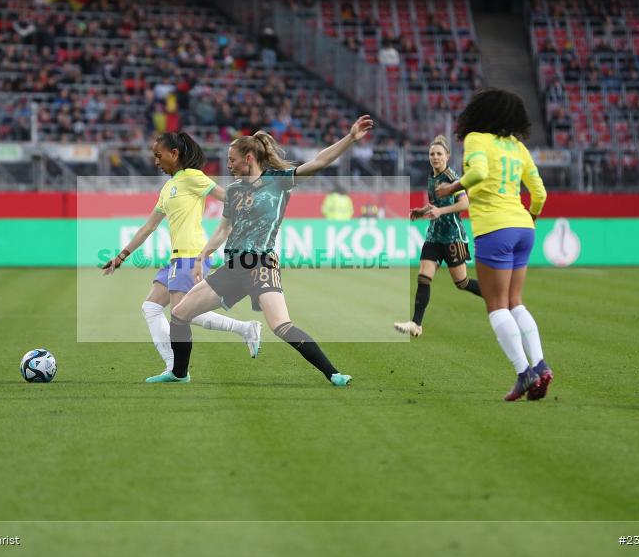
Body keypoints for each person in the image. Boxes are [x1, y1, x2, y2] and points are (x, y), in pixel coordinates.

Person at [150, 115, 374, 385]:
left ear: (248, 158)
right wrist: (203, 255)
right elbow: (223, 229)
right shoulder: (233, 191)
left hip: (261, 265)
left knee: (281, 325)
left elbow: (319, 162)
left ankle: (334, 373)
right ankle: (179, 374)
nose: (228, 164)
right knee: (180, 314)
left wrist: (350, 138)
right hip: (233, 267)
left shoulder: (279, 181)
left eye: (232, 159)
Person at [101, 132, 261, 376]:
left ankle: (243, 330)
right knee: (151, 307)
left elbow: (228, 197)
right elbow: (148, 227)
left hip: (191, 256)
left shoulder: (192, 177)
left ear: (174, 154)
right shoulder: (169, 187)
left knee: (181, 313)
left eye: (159, 155)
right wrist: (121, 257)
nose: (156, 161)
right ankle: (173, 367)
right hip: (177, 258)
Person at [434, 88, 550, 401]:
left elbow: (480, 173)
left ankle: (525, 372)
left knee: (496, 305)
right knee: (516, 301)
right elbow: (539, 194)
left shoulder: (476, 139)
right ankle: (540, 364)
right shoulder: (517, 146)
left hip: (494, 228)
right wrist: (531, 219)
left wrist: (452, 187)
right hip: (524, 228)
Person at [395, 135, 483, 338]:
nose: (435, 157)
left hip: (453, 237)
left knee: (461, 283)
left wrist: (440, 213)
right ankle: (416, 324)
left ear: (447, 156)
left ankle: (495, 297)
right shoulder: (432, 177)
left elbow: (464, 204)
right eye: (432, 154)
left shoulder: (452, 177)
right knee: (423, 276)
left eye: (439, 154)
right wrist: (422, 210)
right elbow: (437, 205)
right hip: (434, 235)